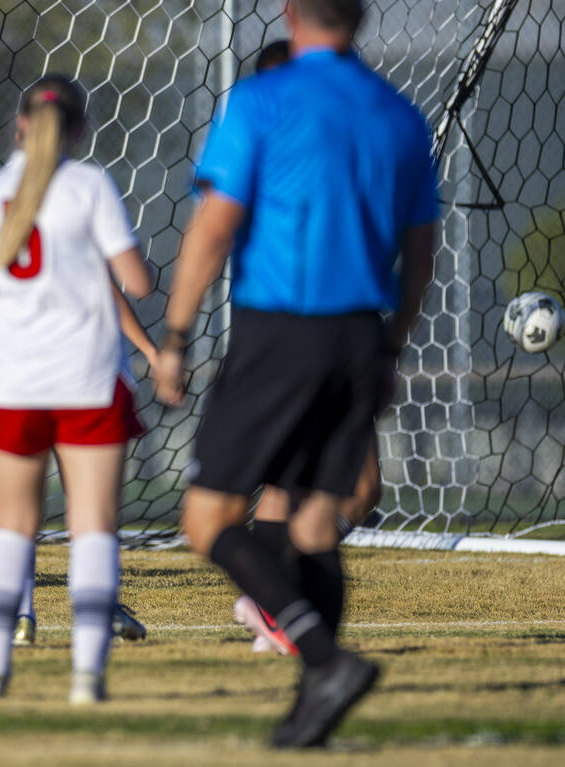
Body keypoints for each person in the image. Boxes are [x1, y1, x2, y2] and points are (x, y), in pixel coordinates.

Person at [154, 0, 438, 748]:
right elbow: (422, 247)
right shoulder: (399, 113)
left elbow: (216, 223)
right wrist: (392, 346)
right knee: (315, 522)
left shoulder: (262, 98)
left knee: (206, 518)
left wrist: (177, 334)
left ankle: (324, 656)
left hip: (280, 331)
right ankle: (315, 706)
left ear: (289, 14)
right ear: (363, 17)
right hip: (360, 335)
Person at [0, 73, 151, 704]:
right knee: (92, 524)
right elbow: (135, 282)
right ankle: (88, 675)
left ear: (19, 126)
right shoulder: (89, 186)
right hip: (85, 378)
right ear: (80, 129)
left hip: (10, 383)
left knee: (14, 523)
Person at [229, 37, 384, 656]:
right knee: (300, 488)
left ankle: (273, 600)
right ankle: (275, 605)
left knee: (353, 491)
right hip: (298, 334)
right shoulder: (273, 153)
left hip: (334, 333)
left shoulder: (327, 143)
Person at [0, 222, 153, 648]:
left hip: (0, 371)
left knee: (17, 507)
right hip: (70, 365)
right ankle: (100, 612)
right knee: (89, 503)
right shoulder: (80, 193)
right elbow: (125, 285)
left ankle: (20, 619)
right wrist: (150, 349)